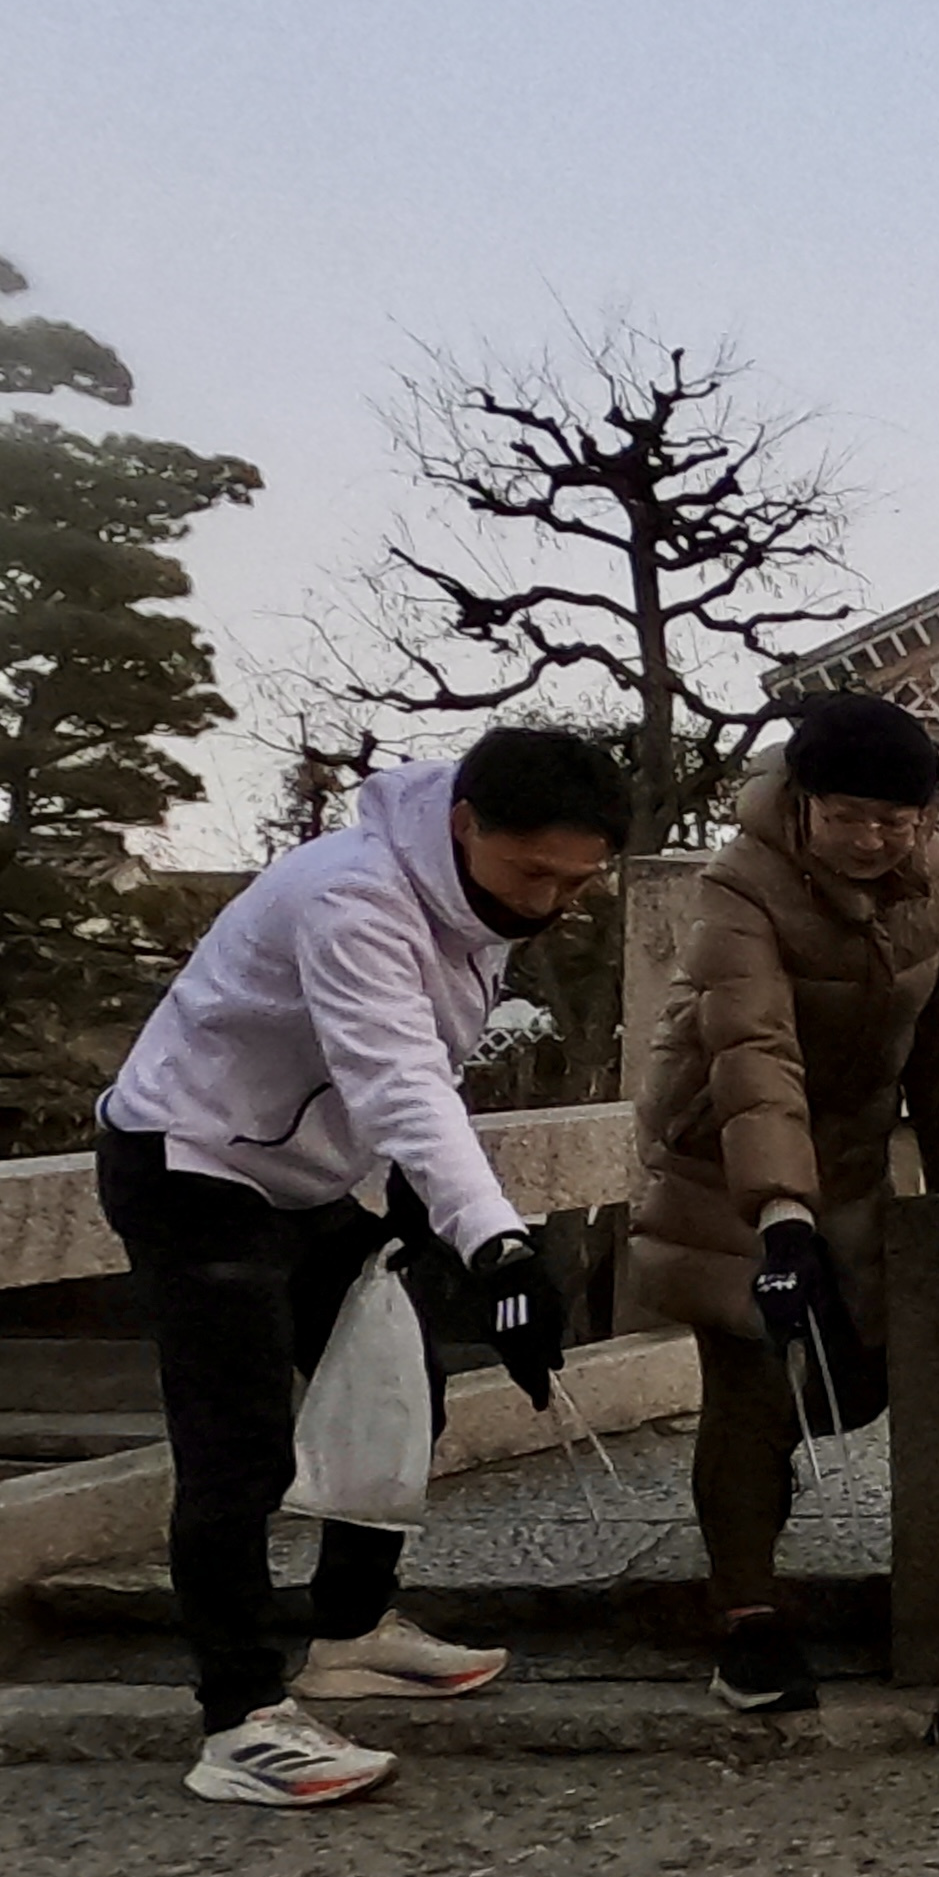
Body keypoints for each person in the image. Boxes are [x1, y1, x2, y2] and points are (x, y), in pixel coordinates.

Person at [95, 726, 623, 1806]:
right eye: (533, 873)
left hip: (308, 1172)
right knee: (236, 1443)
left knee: (399, 1389)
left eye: (578, 881)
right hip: (191, 1159)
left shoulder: (474, 896)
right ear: (466, 824)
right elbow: (396, 1076)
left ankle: (348, 1629)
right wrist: (495, 1240)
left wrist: (430, 1212)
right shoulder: (353, 895)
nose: (550, 902)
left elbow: (403, 1083)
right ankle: (237, 1718)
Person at [629, 695, 939, 1715]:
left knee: (853, 1372)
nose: (871, 841)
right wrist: (780, 1211)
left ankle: (762, 1494)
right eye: (848, 816)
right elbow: (754, 1047)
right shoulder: (741, 882)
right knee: (747, 1379)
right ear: (803, 803)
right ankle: (745, 1616)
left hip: (853, 1155)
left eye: (895, 820)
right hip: (723, 1149)